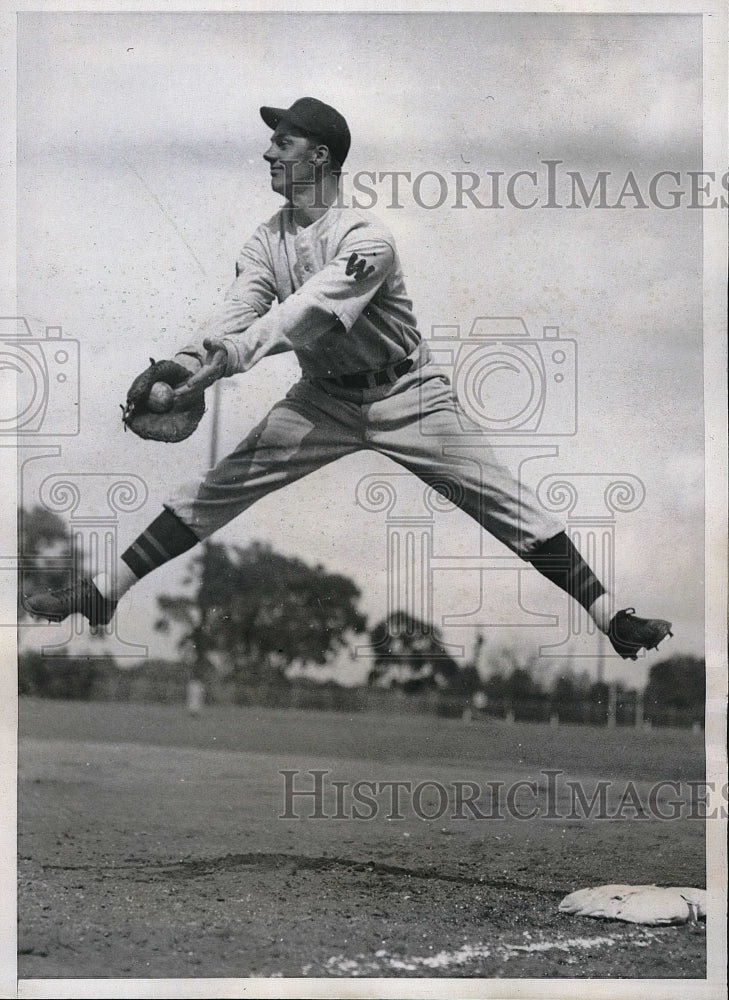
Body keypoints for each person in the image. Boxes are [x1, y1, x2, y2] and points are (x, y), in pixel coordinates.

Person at [26, 97, 673, 662]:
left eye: (282, 142)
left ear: (320, 156)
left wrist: (224, 362)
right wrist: (187, 365)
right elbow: (236, 312)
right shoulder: (264, 242)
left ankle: (608, 616)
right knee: (220, 484)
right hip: (324, 399)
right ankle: (104, 591)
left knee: (502, 501)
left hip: (408, 393)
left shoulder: (366, 238)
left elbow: (302, 318)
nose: (267, 152)